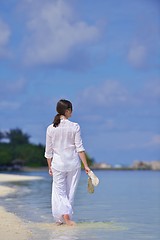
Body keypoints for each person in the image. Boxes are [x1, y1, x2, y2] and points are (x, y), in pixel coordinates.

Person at [45, 99, 90, 226]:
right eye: (71, 110)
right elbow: (79, 148)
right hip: (73, 164)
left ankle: (60, 219)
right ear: (67, 110)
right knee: (70, 191)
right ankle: (66, 216)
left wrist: (50, 167)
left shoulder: (50, 128)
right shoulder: (75, 126)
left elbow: (48, 152)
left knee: (59, 192)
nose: (72, 113)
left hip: (58, 164)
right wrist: (86, 166)